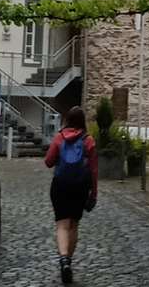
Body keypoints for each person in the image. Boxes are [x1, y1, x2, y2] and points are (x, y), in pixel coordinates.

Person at [44, 106, 98, 284]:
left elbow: (48, 162)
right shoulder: (88, 140)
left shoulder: (60, 137)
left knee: (61, 224)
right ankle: (69, 262)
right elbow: (94, 170)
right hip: (80, 187)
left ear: (67, 119)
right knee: (73, 224)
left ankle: (63, 259)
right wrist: (94, 193)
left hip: (60, 186)